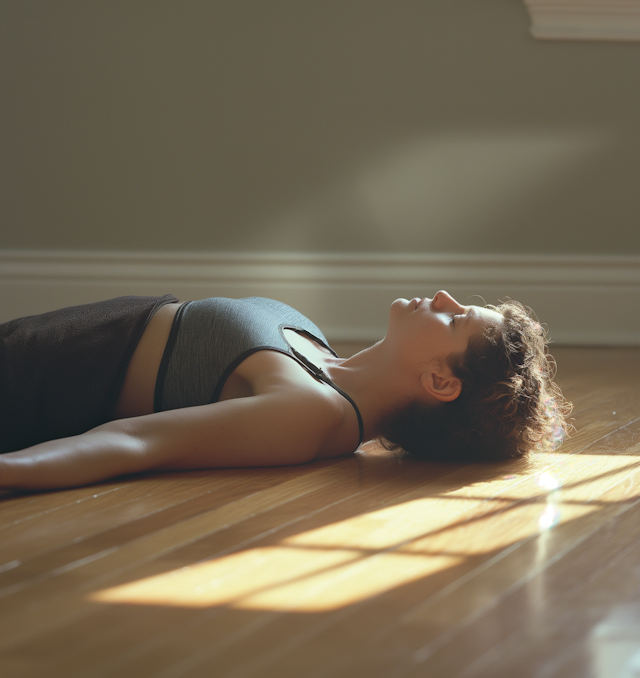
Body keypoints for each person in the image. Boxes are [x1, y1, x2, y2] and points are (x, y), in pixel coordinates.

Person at [0, 291, 572, 491]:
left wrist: (11, 471)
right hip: (42, 341)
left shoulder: (308, 414)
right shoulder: (320, 355)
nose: (444, 297)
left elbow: (134, 443)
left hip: (29, 380)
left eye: (456, 320)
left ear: (440, 381)